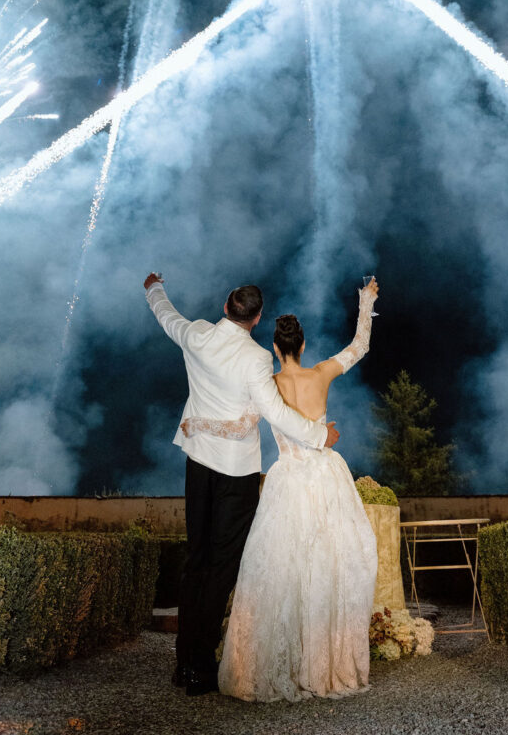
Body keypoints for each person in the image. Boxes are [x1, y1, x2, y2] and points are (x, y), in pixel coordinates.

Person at [180, 278, 379, 701]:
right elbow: (360, 346)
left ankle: (277, 659)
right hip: (326, 479)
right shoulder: (322, 373)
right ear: (302, 346)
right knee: (329, 564)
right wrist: (367, 302)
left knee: (281, 569)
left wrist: (197, 424)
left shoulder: (265, 384)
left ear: (274, 347)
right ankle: (324, 658)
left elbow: (240, 423)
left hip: (286, 481)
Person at [143, 274, 340, 697]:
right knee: (221, 567)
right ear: (257, 318)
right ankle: (199, 666)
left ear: (226, 307)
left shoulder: (197, 334)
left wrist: (153, 288)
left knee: (196, 560)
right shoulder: (256, 359)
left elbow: (166, 315)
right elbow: (275, 412)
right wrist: (319, 435)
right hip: (235, 474)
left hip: (197, 465)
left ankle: (185, 662)